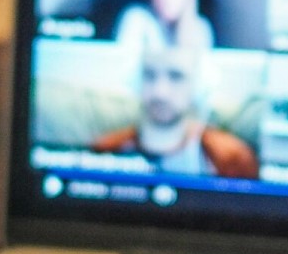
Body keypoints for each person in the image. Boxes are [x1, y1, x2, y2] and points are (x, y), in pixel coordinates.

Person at [92, 44, 258, 178]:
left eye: (176, 76)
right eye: (149, 75)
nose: (160, 91)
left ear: (198, 85)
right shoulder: (106, 150)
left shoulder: (232, 158)